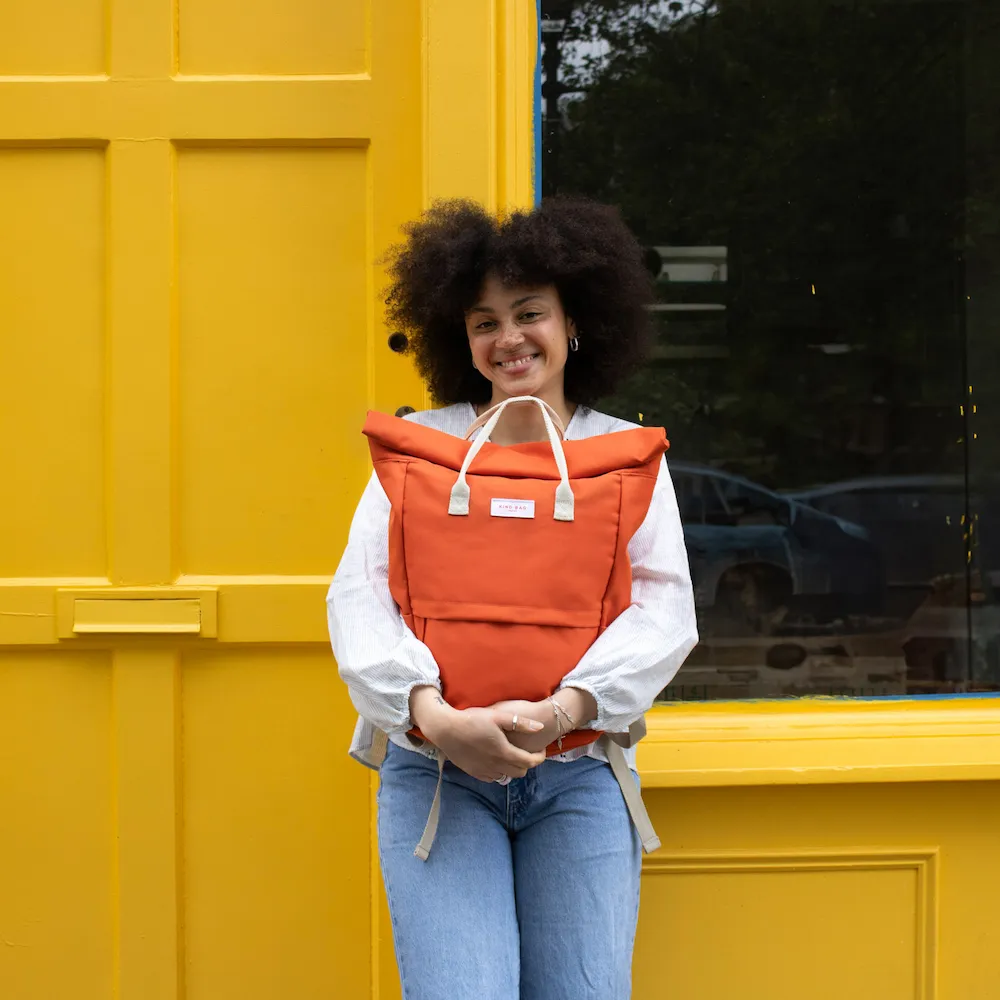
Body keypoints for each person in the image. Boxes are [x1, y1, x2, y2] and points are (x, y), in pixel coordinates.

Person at [327, 197, 699, 1000]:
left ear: (574, 324)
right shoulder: (418, 447)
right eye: (483, 321)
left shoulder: (624, 456)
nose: (508, 339)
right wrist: (436, 717)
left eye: (529, 313)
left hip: (580, 776)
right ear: (459, 338)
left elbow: (665, 611)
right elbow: (360, 599)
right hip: (436, 776)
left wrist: (565, 711)